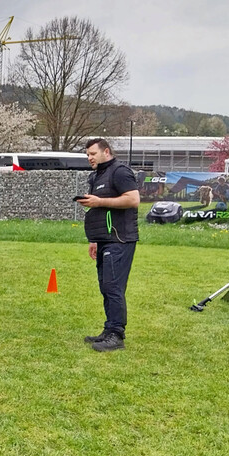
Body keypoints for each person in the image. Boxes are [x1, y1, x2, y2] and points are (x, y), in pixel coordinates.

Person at [75, 138, 140, 353]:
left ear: (106, 151)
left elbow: (133, 199)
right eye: (87, 155)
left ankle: (116, 335)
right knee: (105, 286)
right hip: (103, 239)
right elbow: (98, 210)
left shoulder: (120, 172)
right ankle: (109, 329)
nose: (89, 158)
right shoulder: (96, 176)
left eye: (93, 153)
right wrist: (94, 240)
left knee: (113, 287)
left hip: (120, 239)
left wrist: (99, 201)